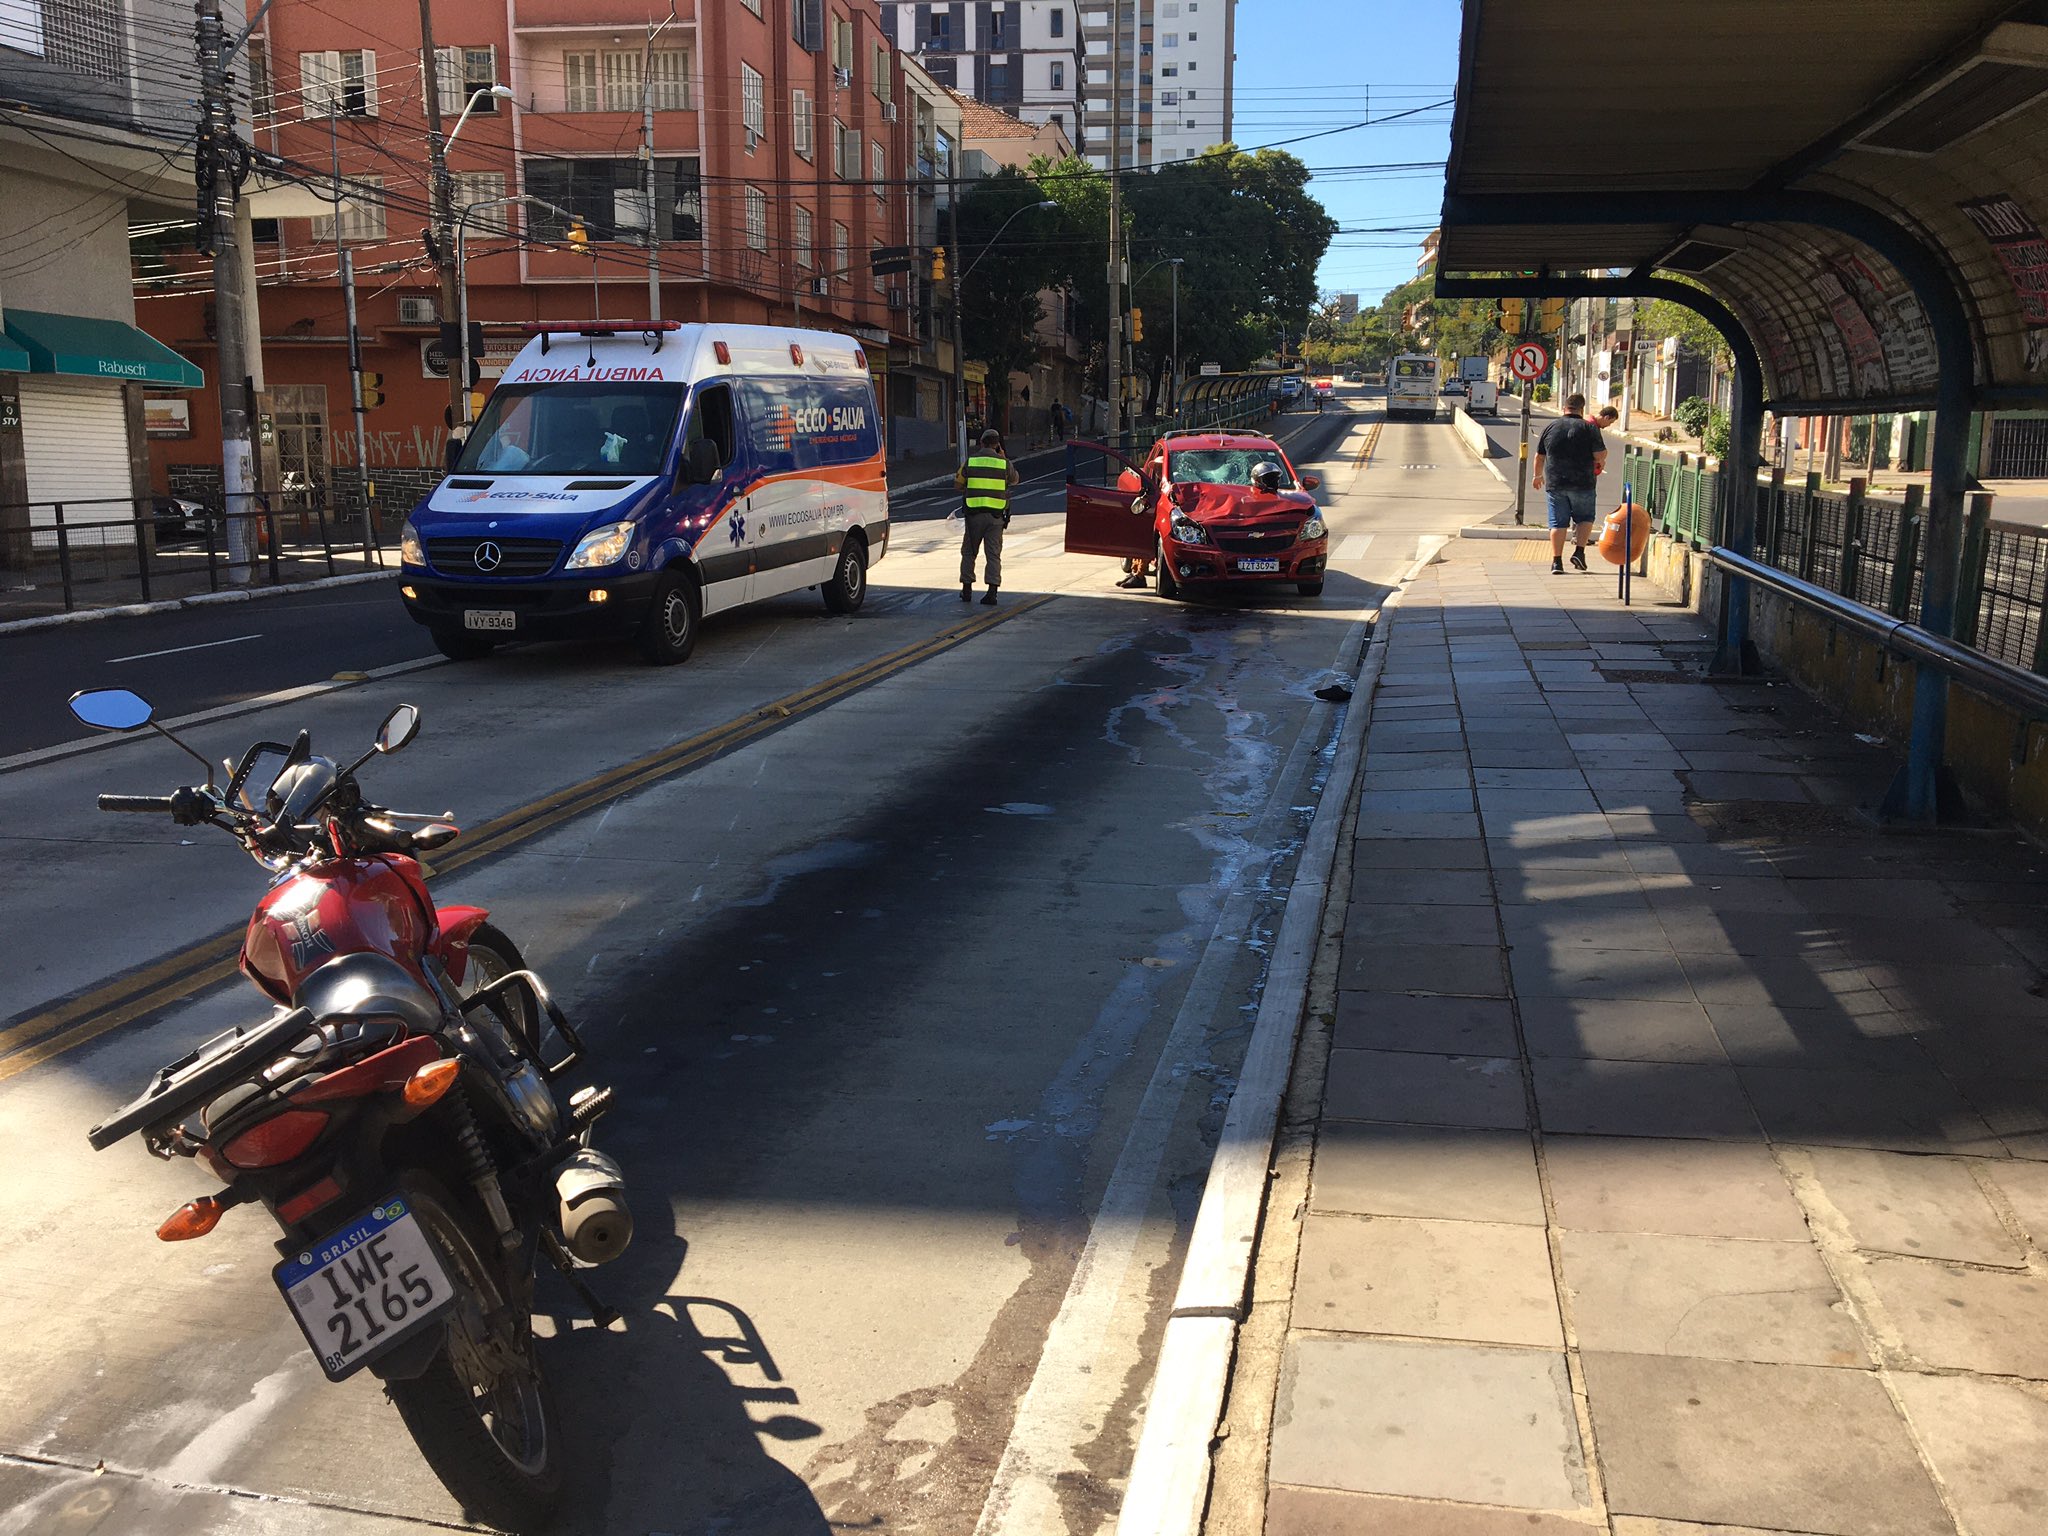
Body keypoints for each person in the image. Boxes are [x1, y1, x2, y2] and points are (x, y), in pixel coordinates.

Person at [1532, 392, 1607, 574]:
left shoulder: (1551, 427)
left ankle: (1556, 562)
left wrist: (1537, 476)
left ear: (1564, 408)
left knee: (1557, 523)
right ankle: (1579, 553)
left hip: (1555, 483)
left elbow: (1539, 456)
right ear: (1582, 409)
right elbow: (1599, 455)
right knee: (1584, 518)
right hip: (1583, 483)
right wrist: (1600, 461)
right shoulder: (1589, 428)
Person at [955, 428, 1017, 605]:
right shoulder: (1004, 463)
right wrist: (1004, 458)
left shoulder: (971, 461)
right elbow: (1015, 479)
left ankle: (967, 589)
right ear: (997, 445)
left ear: (981, 443)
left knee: (969, 552)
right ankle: (992, 592)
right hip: (996, 517)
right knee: (993, 554)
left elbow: (957, 484)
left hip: (974, 516)